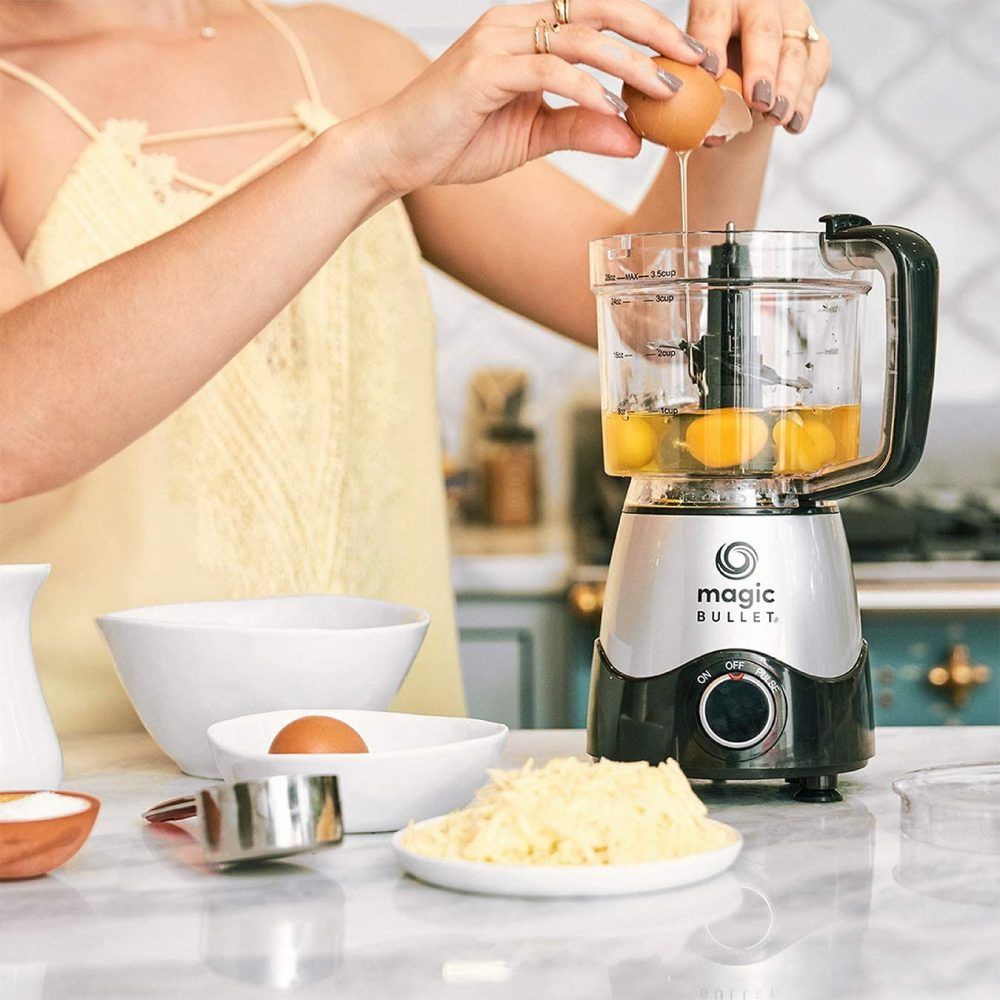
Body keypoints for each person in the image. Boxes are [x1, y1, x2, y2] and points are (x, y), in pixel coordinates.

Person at [0, 0, 829, 736]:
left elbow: (656, 315)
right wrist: (368, 157)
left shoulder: (358, 60)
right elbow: (15, 428)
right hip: (91, 792)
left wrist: (736, 96)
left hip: (393, 764)